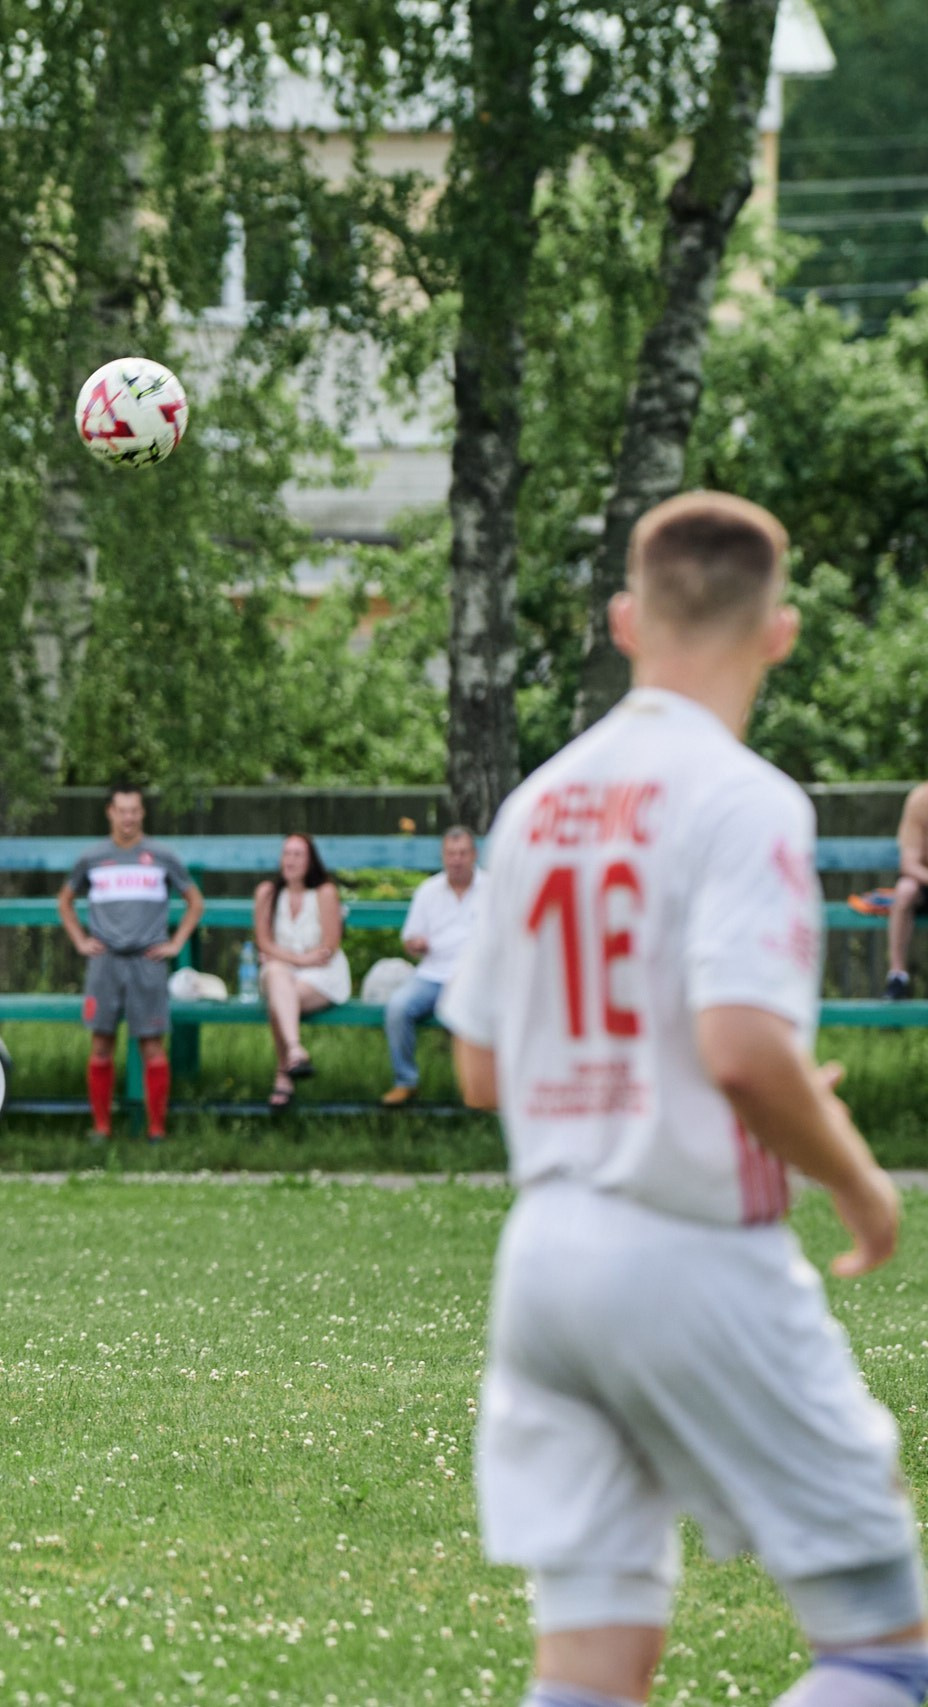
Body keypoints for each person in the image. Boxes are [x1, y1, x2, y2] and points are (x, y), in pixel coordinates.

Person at [442, 491, 928, 1707]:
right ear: (781, 633)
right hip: (688, 1248)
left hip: (545, 1260)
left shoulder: (537, 804)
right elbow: (741, 1051)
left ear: (622, 621)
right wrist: (863, 1188)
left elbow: (481, 1067)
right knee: (890, 1653)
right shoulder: (745, 799)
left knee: (593, 1666)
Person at [59, 785, 203, 1141]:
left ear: (142, 813)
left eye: (135, 811)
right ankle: (101, 1127)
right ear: (110, 812)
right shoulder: (92, 857)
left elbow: (195, 902)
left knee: (152, 1044)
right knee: (101, 1043)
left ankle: (156, 1129)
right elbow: (64, 899)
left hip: (148, 960)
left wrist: (175, 943)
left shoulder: (161, 856)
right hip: (105, 960)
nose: (128, 818)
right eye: (122, 811)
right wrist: (80, 939)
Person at [382, 826, 481, 1107]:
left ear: (474, 855)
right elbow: (409, 938)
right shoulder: (428, 890)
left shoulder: (491, 889)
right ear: (443, 856)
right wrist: (415, 944)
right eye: (451, 853)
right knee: (398, 1008)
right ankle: (406, 1082)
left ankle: (479, 1088)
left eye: (463, 853)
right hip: (433, 974)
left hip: (474, 976)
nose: (457, 860)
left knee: (488, 1011)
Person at [253, 833, 350, 1111]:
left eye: (298, 854)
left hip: (323, 976)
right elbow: (263, 941)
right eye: (287, 854)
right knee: (275, 974)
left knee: (278, 1000)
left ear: (310, 861)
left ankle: (283, 1074)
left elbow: (329, 946)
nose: (291, 860)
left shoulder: (325, 893)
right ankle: (295, 1050)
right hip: (283, 972)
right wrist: (299, 959)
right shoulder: (267, 893)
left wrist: (289, 959)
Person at [885, 781, 927, 999]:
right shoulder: (921, 800)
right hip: (923, 881)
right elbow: (909, 864)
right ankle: (897, 977)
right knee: (904, 890)